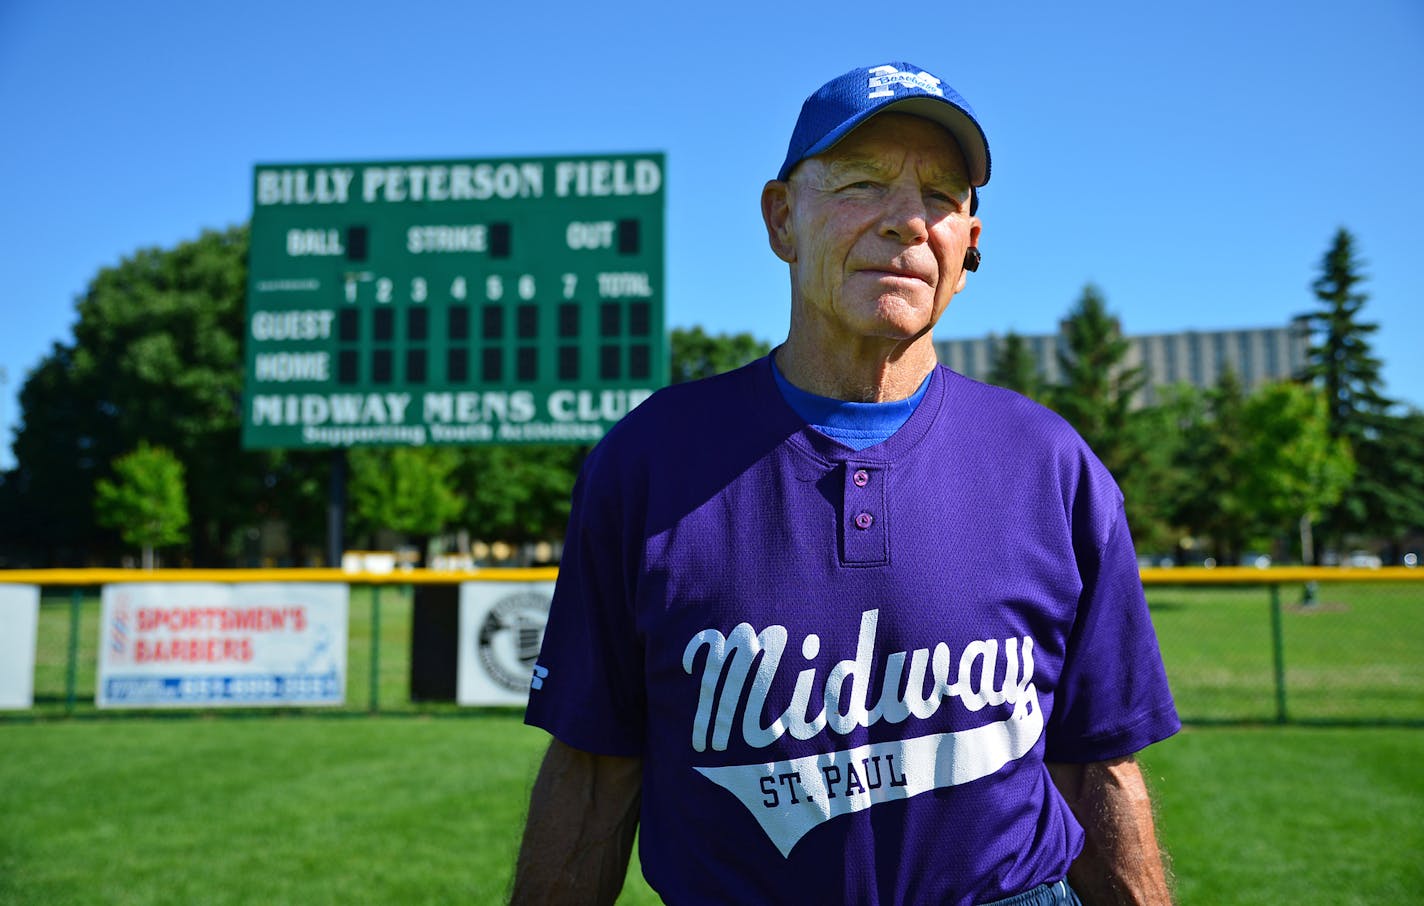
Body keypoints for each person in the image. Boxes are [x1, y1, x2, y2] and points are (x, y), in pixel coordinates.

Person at [514, 61, 1179, 906]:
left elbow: (1099, 770)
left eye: (941, 196)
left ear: (968, 246)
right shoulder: (652, 458)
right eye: (863, 183)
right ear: (782, 218)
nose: (907, 221)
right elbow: (595, 769)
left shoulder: (1048, 461)